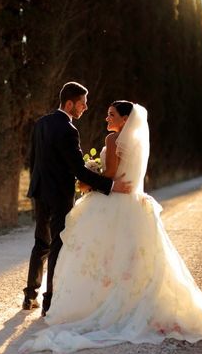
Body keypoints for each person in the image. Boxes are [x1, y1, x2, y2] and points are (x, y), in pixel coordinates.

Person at [19, 101, 202, 354]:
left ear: (125, 119)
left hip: (113, 201)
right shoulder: (135, 141)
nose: (106, 118)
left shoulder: (114, 140)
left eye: (111, 114)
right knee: (131, 259)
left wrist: (87, 181)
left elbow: (111, 174)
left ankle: (92, 304)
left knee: (97, 254)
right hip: (134, 202)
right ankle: (130, 305)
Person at [22, 82, 131, 315]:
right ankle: (49, 301)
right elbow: (78, 170)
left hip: (40, 191)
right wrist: (111, 185)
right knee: (57, 246)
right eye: (82, 103)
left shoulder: (40, 124)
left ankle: (29, 296)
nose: (86, 107)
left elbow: (34, 161)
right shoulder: (69, 130)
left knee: (40, 243)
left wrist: (35, 186)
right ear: (70, 103)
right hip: (60, 195)